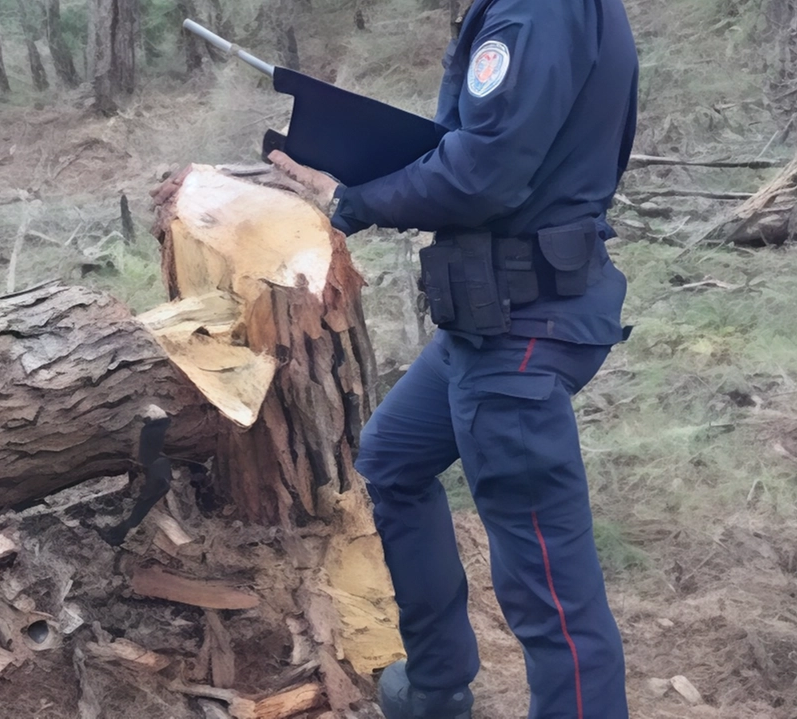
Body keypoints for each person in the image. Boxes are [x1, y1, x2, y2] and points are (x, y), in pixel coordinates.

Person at [273, 0, 638, 716]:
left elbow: (483, 175)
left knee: (549, 593)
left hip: (522, 329)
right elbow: (497, 144)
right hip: (495, 317)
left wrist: (353, 197)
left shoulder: (533, 11)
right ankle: (437, 682)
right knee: (393, 458)